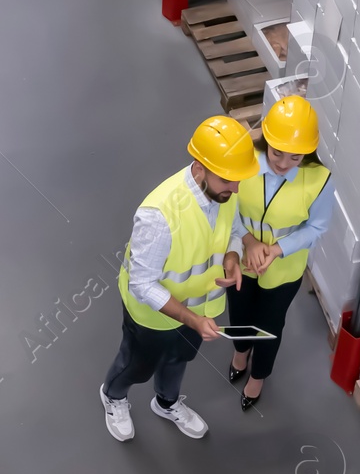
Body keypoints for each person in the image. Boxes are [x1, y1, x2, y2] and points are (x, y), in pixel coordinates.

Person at [100, 116, 257, 441]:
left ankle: (167, 403)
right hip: (152, 318)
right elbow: (142, 284)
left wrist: (232, 256)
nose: (237, 187)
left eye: (239, 180)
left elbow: (234, 229)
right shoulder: (159, 215)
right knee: (137, 366)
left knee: (179, 359)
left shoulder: (225, 191)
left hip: (199, 311)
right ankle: (113, 396)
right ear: (199, 168)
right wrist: (191, 319)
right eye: (228, 180)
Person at [227, 96, 332, 411]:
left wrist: (275, 249)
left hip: (284, 269)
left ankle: (258, 376)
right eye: (277, 152)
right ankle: (240, 352)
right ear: (266, 140)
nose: (283, 163)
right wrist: (248, 241)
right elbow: (227, 205)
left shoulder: (320, 181)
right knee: (239, 312)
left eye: (296, 157)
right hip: (242, 259)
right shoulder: (243, 163)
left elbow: (317, 228)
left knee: (270, 324)